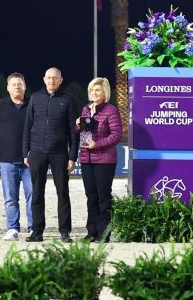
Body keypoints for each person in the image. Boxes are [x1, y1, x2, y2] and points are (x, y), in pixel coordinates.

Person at [22, 67, 79, 243]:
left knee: (62, 192)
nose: (52, 81)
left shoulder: (68, 100)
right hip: (37, 152)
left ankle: (64, 231)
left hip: (59, 153)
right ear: (44, 79)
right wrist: (26, 153)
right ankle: (37, 231)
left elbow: (73, 132)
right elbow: (27, 126)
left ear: (61, 80)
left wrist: (72, 157)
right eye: (49, 77)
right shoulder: (35, 98)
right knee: (37, 192)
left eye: (55, 78)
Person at [76, 77, 122, 242]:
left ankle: (104, 234)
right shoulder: (86, 109)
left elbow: (117, 135)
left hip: (105, 160)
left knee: (103, 197)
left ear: (105, 92)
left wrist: (98, 144)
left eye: (98, 90)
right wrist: (78, 126)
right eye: (92, 90)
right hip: (87, 159)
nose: (94, 93)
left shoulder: (111, 110)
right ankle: (92, 232)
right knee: (91, 197)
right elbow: (84, 135)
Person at [0, 72, 32, 241]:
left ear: (25, 86)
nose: (17, 87)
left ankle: (33, 228)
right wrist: (4, 143)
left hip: (30, 162)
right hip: (7, 161)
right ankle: (13, 228)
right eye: (13, 84)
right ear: (8, 87)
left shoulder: (32, 105)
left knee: (32, 196)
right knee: (10, 199)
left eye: (20, 84)